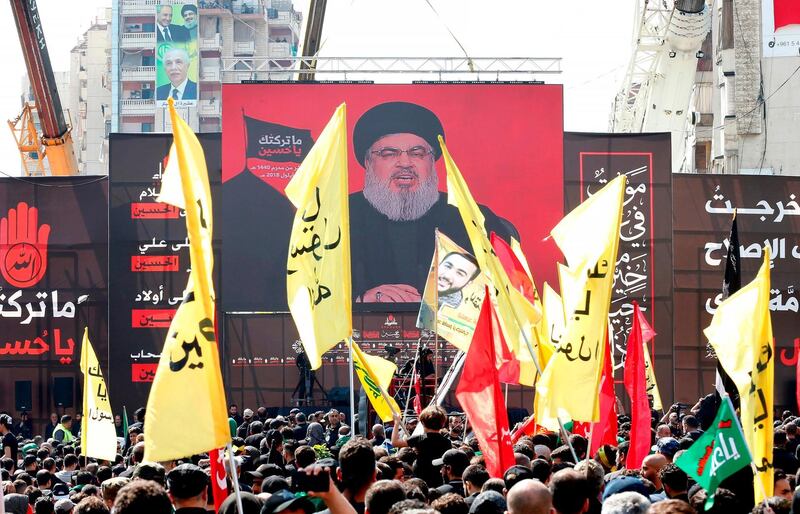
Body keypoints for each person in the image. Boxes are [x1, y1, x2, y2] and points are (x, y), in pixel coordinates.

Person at [349, 101, 519, 303]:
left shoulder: (472, 218)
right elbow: (308, 291)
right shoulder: (337, 217)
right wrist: (360, 301)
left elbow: (509, 295)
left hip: (454, 333)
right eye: (389, 153)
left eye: (417, 153)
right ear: (368, 162)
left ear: (432, 162)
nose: (405, 163)